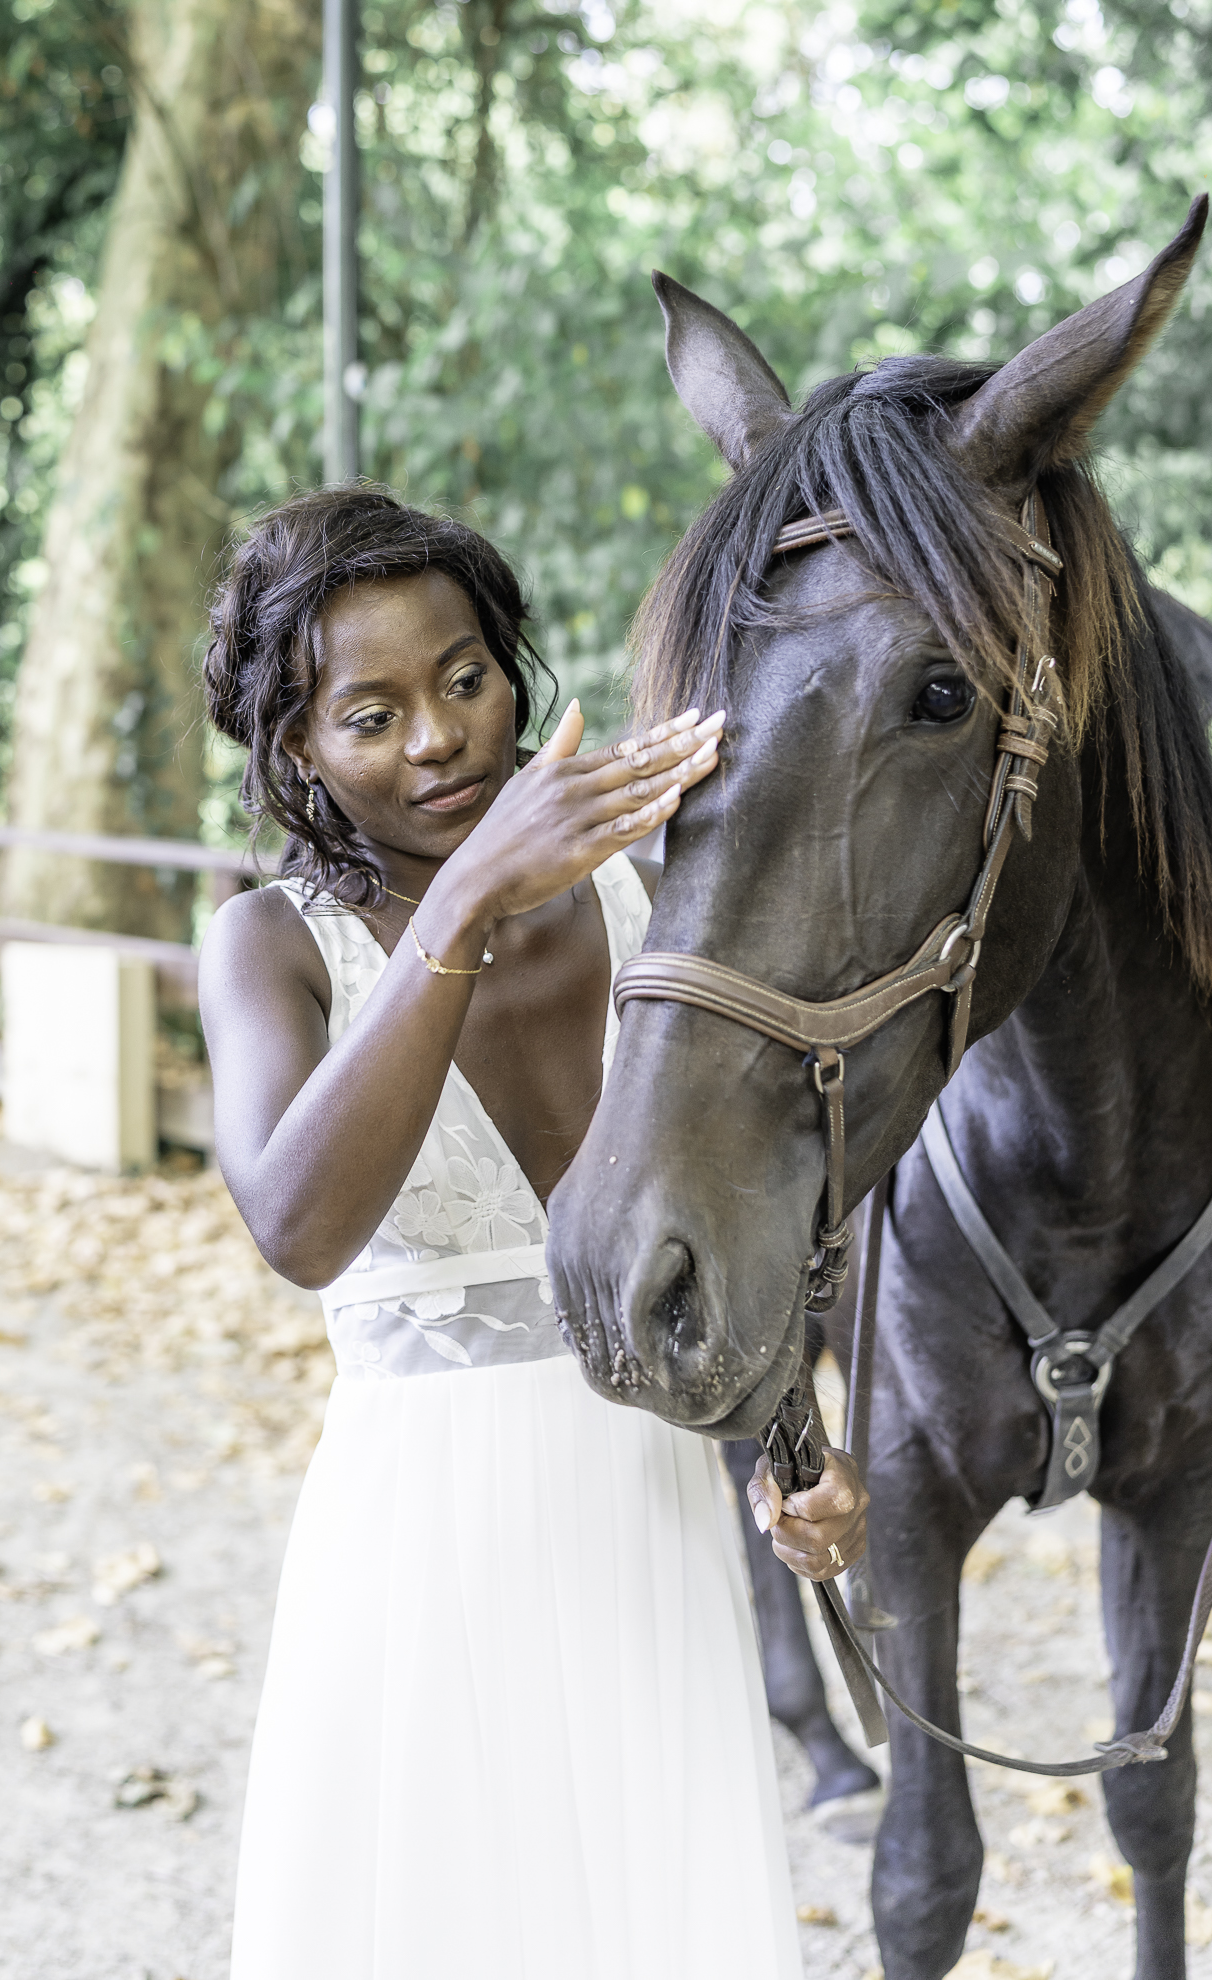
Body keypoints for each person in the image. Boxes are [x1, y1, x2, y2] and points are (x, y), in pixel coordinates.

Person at [199, 486, 868, 1980]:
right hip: (415, 1553)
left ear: (512, 672)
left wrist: (800, 1452)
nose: (439, 738)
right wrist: (465, 904)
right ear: (296, 749)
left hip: (647, 1537)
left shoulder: (658, 907)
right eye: (369, 716)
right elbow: (300, 1228)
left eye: (464, 679)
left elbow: (750, 1216)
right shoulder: (268, 947)